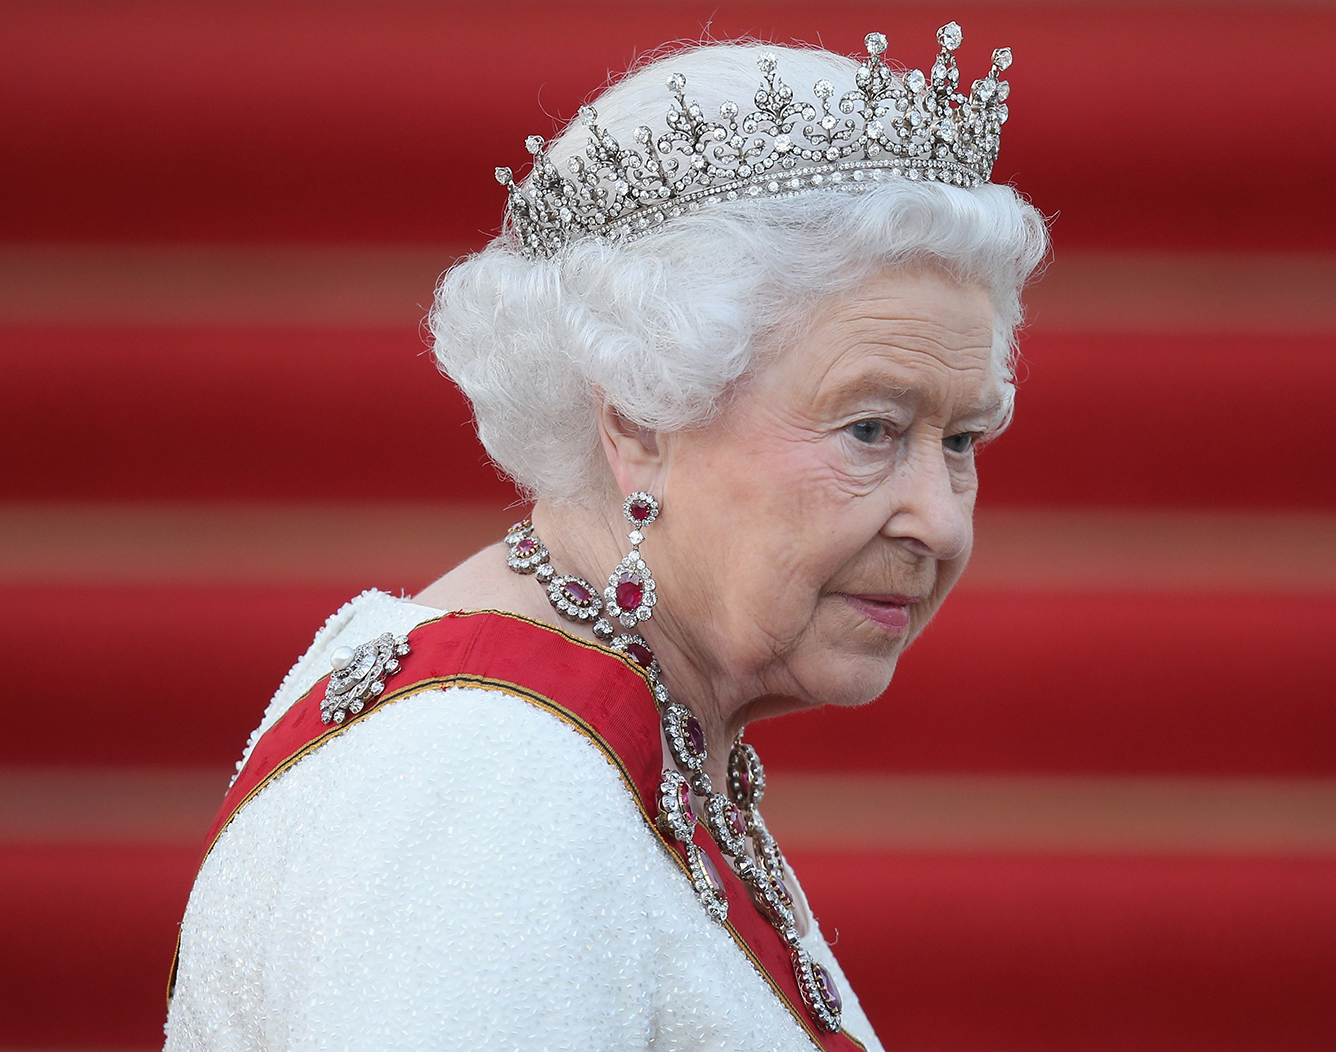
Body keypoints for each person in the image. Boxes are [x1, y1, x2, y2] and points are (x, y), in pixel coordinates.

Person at [165, 22, 1047, 1051]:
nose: (939, 518)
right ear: (637, 413)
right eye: (871, 429)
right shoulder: (485, 780)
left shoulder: (616, 730)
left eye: (964, 437)